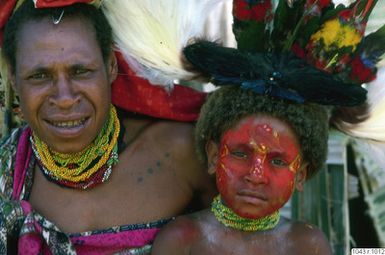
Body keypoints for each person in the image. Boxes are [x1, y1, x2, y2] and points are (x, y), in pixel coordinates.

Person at [152, 0, 385, 253]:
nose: (256, 175)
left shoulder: (307, 245)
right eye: (241, 153)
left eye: (277, 161)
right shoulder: (183, 239)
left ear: (301, 175)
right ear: (212, 155)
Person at [0, 1, 216, 254]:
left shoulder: (181, 154)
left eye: (81, 71)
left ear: (111, 66)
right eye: (39, 76)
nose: (65, 98)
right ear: (14, 77)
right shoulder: (8, 169)